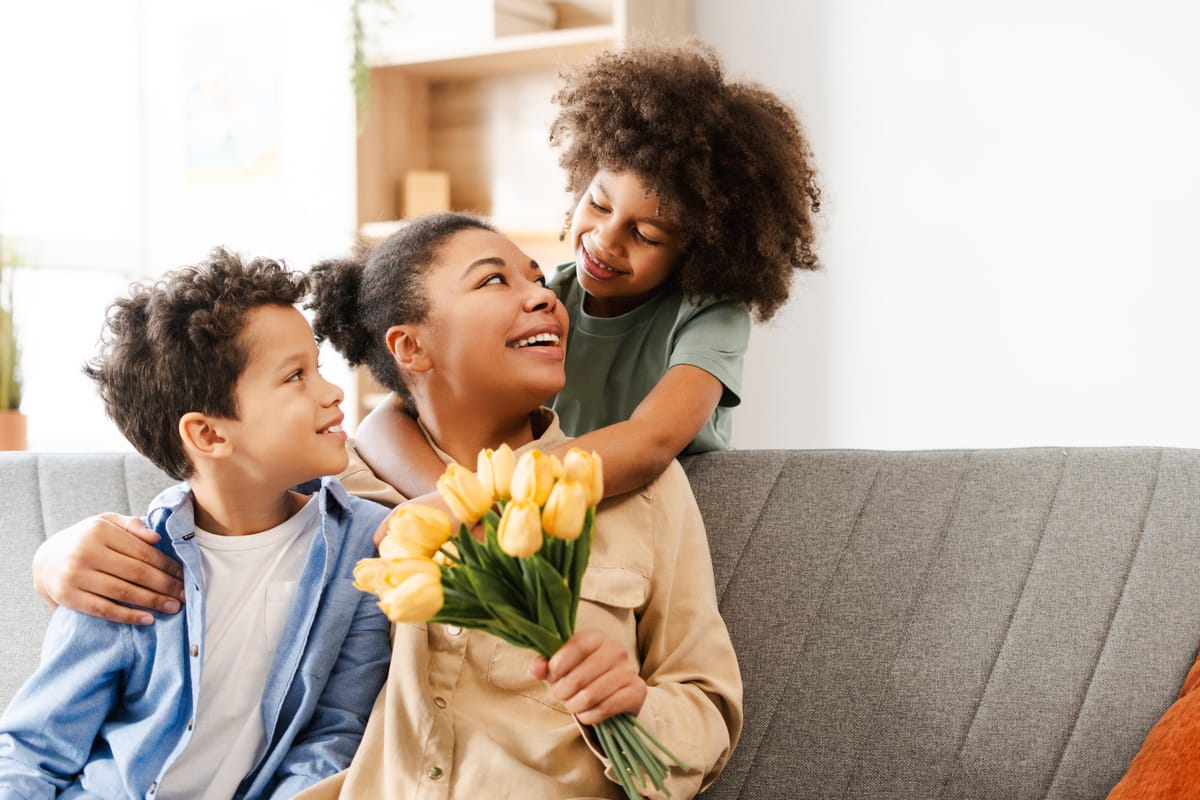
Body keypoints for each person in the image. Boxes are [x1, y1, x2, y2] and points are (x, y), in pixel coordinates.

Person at [290, 211, 741, 799]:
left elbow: (707, 713)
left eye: (537, 279)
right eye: (495, 281)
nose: (544, 297)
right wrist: (126, 544)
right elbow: (209, 554)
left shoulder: (645, 492)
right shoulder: (334, 485)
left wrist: (631, 705)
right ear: (410, 346)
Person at [351, 40, 822, 502]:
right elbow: (386, 421)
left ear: (700, 252)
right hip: (546, 507)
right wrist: (454, 502)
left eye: (647, 235)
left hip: (655, 513)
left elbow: (650, 441)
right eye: (597, 204)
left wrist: (493, 492)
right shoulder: (544, 301)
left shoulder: (708, 315)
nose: (605, 239)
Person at [0, 251, 392, 798]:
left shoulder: (365, 547)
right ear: (208, 436)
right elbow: (34, 747)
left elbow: (331, 737)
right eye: (295, 376)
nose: (332, 392)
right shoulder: (125, 565)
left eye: (318, 367)